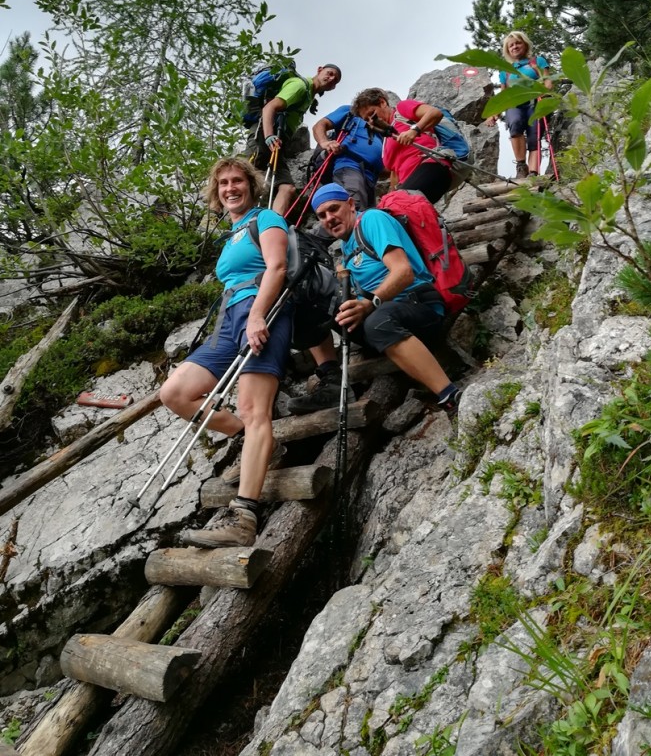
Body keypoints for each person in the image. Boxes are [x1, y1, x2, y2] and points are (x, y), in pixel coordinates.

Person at [159, 157, 291, 548]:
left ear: (250, 185)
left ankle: (244, 516)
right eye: (223, 184)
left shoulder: (266, 219)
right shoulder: (232, 233)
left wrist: (256, 315)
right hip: (227, 322)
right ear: (216, 193)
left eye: (237, 181)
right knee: (174, 393)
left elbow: (278, 267)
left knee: (255, 409)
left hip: (263, 313)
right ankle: (244, 435)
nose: (230, 188)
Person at [287, 183, 461, 416]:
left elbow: (403, 271)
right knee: (316, 306)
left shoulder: (372, 220)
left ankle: (449, 395)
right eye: (322, 215)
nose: (329, 218)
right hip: (382, 314)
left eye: (334, 209)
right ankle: (331, 380)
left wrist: (369, 303)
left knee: (376, 321)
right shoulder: (347, 249)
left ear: (350, 204)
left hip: (419, 305)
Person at [245, 63, 342, 216]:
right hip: (264, 135)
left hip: (278, 143)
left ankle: (274, 225)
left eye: (335, 80)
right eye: (329, 73)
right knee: (243, 178)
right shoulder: (300, 86)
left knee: (287, 188)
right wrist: (269, 136)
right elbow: (269, 108)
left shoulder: (309, 96)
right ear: (319, 70)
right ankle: (215, 213)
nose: (331, 79)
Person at [352, 88, 453, 204]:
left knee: (402, 203)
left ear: (382, 103)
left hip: (432, 165)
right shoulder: (386, 140)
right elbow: (395, 172)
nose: (371, 120)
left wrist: (414, 131)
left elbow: (435, 113)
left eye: (372, 113)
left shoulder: (401, 110)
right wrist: (391, 193)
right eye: (367, 120)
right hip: (408, 182)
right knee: (391, 210)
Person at [487, 31, 553, 179]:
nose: (514, 47)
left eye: (518, 43)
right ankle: (521, 166)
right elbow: (504, 95)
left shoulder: (537, 61)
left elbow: (548, 81)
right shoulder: (505, 71)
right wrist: (494, 114)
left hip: (536, 102)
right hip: (515, 104)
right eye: (511, 45)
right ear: (507, 50)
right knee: (515, 125)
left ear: (525, 44)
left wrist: (544, 91)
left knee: (534, 136)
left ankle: (533, 173)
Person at [311, 104, 384, 210]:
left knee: (365, 216)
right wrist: (325, 142)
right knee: (354, 208)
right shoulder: (351, 111)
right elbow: (320, 125)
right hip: (350, 166)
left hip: (370, 178)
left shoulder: (381, 131)